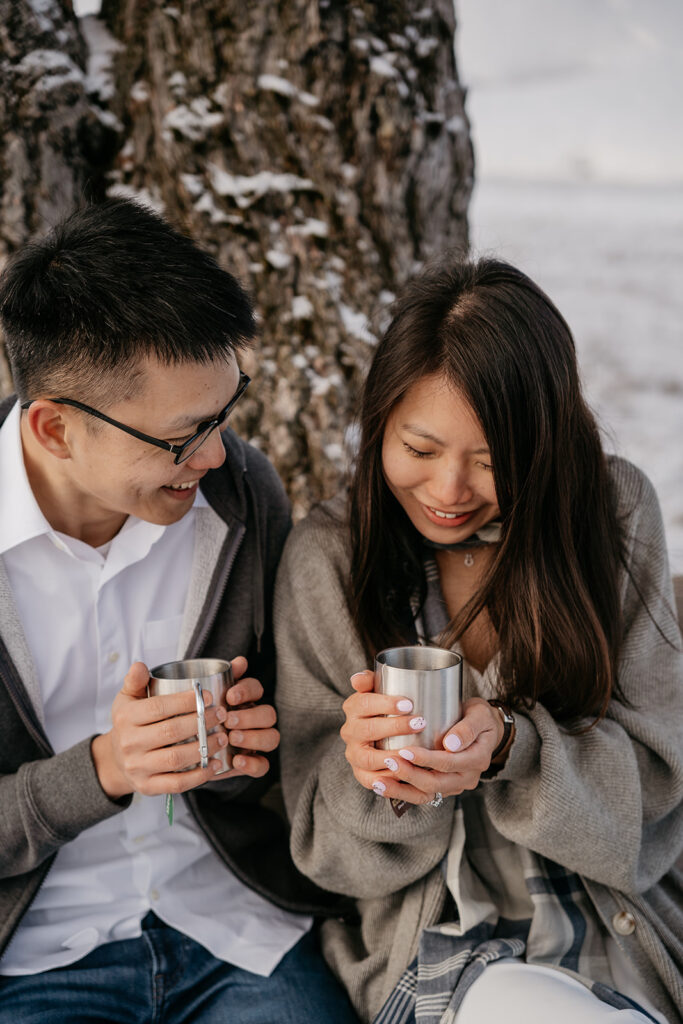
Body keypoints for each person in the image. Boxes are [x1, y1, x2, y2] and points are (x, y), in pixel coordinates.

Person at [274, 256, 683, 1024]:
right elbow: (325, 859)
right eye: (419, 451)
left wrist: (511, 749)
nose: (449, 491)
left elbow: (659, 796)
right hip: (441, 953)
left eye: (492, 459)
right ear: (378, 425)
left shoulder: (612, 512)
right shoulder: (329, 559)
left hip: (622, 937)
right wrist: (374, 776)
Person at [0, 198, 358, 1023]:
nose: (214, 454)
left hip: (231, 929)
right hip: (33, 958)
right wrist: (103, 772)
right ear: (54, 428)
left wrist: (250, 757)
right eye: (179, 436)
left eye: (224, 415)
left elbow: (280, 757)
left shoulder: (237, 495)